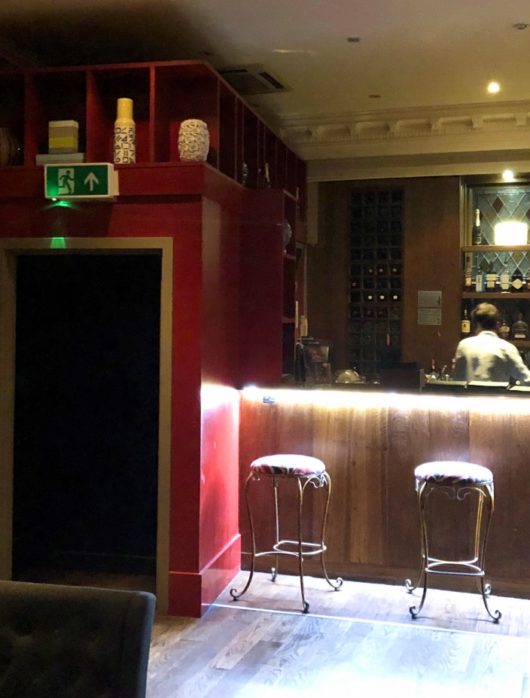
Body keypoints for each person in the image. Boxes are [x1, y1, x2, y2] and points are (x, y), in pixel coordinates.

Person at [453, 303, 530, 384]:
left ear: (476, 324)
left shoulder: (464, 345)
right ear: (497, 325)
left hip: (469, 392)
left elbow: (457, 379)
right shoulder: (507, 348)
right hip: (499, 392)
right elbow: (526, 379)